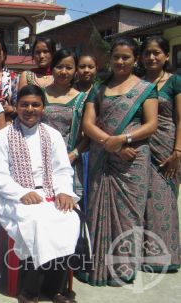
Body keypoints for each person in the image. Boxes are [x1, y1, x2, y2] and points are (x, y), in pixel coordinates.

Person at [81, 38, 158, 286]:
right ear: (110, 59)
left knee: (128, 214)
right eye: (116, 56)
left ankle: (122, 269)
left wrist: (123, 139)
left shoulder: (146, 88)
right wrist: (110, 144)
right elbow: (88, 124)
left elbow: (151, 124)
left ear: (135, 60)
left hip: (132, 161)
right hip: (102, 158)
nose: (120, 61)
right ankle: (96, 266)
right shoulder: (99, 89)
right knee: (96, 209)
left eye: (126, 57)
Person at [0, 84, 79, 303]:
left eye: (35, 105)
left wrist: (65, 192)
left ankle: (54, 287)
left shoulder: (53, 135)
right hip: (17, 198)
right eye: (24, 105)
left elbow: (62, 169)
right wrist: (21, 193)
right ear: (16, 107)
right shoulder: (3, 136)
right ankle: (32, 289)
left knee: (69, 218)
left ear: (43, 108)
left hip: (50, 194)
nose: (29, 109)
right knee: (38, 222)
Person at [140, 36, 180, 272]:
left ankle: (166, 257)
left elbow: (180, 118)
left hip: (167, 149)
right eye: (147, 53)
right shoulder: (137, 83)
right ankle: (142, 254)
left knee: (164, 201)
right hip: (142, 148)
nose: (151, 57)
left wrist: (178, 151)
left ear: (166, 56)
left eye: (156, 52)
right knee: (143, 200)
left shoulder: (175, 82)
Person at [42, 49, 87, 197]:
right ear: (52, 68)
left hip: (70, 161)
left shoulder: (83, 99)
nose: (63, 72)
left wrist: (73, 154)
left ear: (75, 71)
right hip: (40, 161)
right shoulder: (39, 95)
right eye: (59, 66)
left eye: (69, 67)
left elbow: (89, 134)